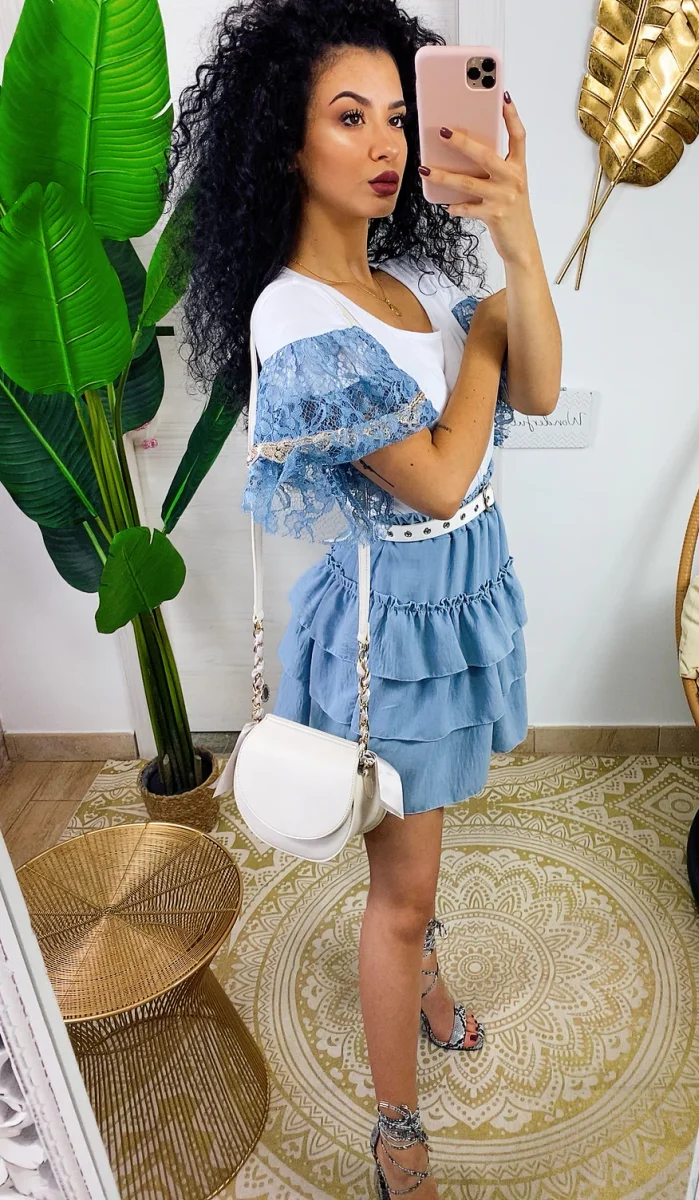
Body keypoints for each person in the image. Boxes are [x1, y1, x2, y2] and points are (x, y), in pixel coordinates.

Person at [164, 1, 561, 1194]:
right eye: (350, 118)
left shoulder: (408, 279)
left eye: (398, 116)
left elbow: (540, 388)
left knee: (422, 850)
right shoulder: (294, 315)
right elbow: (438, 478)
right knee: (400, 890)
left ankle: (423, 970)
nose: (386, 143)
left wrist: (520, 237)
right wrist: (483, 343)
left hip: (459, 605)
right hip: (391, 632)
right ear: (286, 143)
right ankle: (398, 1135)